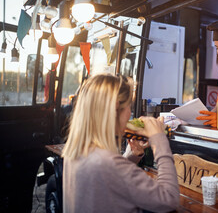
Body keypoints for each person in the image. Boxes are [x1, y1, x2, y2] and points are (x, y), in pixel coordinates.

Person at [61, 74, 179, 213]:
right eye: (129, 105)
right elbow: (169, 199)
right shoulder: (109, 164)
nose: (130, 112)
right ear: (115, 110)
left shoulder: (78, 150)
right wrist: (159, 140)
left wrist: (132, 155)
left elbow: (109, 181)